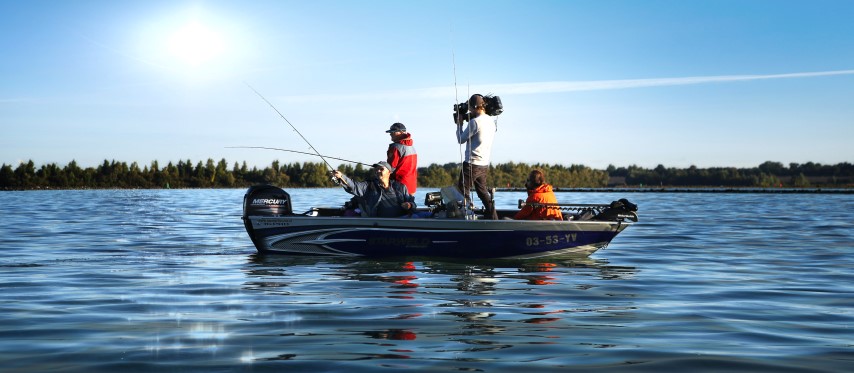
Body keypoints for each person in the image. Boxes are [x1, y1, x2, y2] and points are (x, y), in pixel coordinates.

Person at [455, 94, 498, 219]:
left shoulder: (475, 122)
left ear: (474, 107)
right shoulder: (491, 121)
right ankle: (494, 217)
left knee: (462, 192)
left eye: (470, 108)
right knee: (483, 193)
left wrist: (459, 124)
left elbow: (461, 139)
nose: (469, 111)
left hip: (471, 164)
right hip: (484, 164)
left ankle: (467, 217)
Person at [330, 161, 416, 218]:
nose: (378, 171)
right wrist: (341, 176)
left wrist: (410, 205)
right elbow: (353, 186)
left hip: (401, 222)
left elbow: (412, 203)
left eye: (381, 169)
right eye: (376, 169)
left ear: (389, 172)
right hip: (379, 224)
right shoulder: (368, 186)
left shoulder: (400, 187)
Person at [385, 122, 417, 195]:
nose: (390, 134)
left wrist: (381, 168)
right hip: (411, 187)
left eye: (393, 132)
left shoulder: (395, 147)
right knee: (409, 205)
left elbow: (391, 168)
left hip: (399, 186)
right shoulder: (411, 146)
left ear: (401, 132)